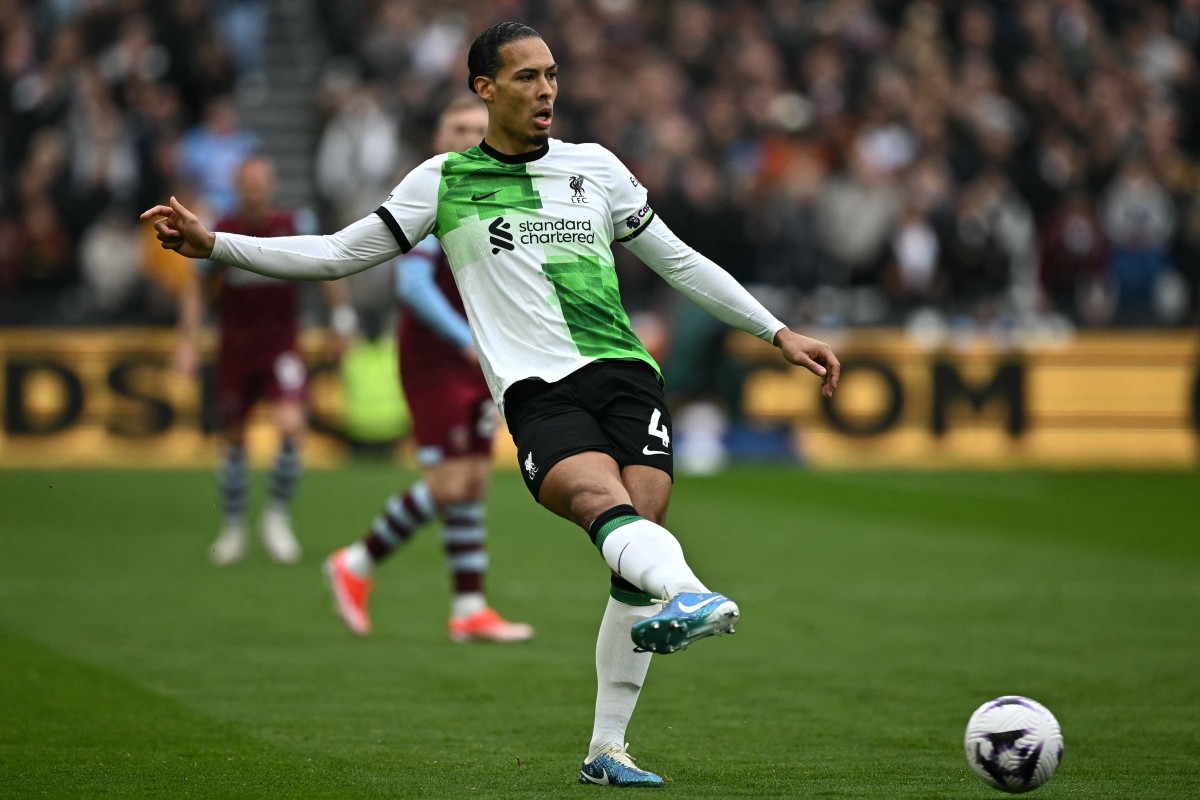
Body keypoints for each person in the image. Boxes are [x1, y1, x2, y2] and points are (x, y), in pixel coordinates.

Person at [144, 22, 839, 787]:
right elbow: (340, 253)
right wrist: (218, 245)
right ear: (485, 88)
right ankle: (692, 593)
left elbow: (677, 260)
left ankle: (607, 750)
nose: (546, 90)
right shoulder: (442, 181)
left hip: (626, 375)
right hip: (538, 389)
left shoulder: (597, 168)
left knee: (634, 550)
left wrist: (777, 331)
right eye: (526, 76)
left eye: (552, 75)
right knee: (600, 504)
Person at [323, 96, 534, 644]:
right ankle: (356, 562)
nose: (468, 137)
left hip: (481, 360)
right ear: (439, 141)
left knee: (475, 481)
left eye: (477, 128)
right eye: (457, 129)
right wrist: (467, 340)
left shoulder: (501, 196)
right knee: (450, 483)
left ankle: (469, 607)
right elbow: (413, 285)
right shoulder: (433, 195)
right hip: (437, 360)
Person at [173, 153, 356, 566]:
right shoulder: (218, 229)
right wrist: (188, 342)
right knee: (233, 439)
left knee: (291, 427)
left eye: (261, 181)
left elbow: (330, 266)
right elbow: (196, 288)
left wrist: (342, 320)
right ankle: (234, 527)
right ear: (237, 186)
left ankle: (276, 518)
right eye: (248, 182)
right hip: (235, 350)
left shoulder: (294, 225)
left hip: (282, 348)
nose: (255, 189)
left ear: (271, 185)